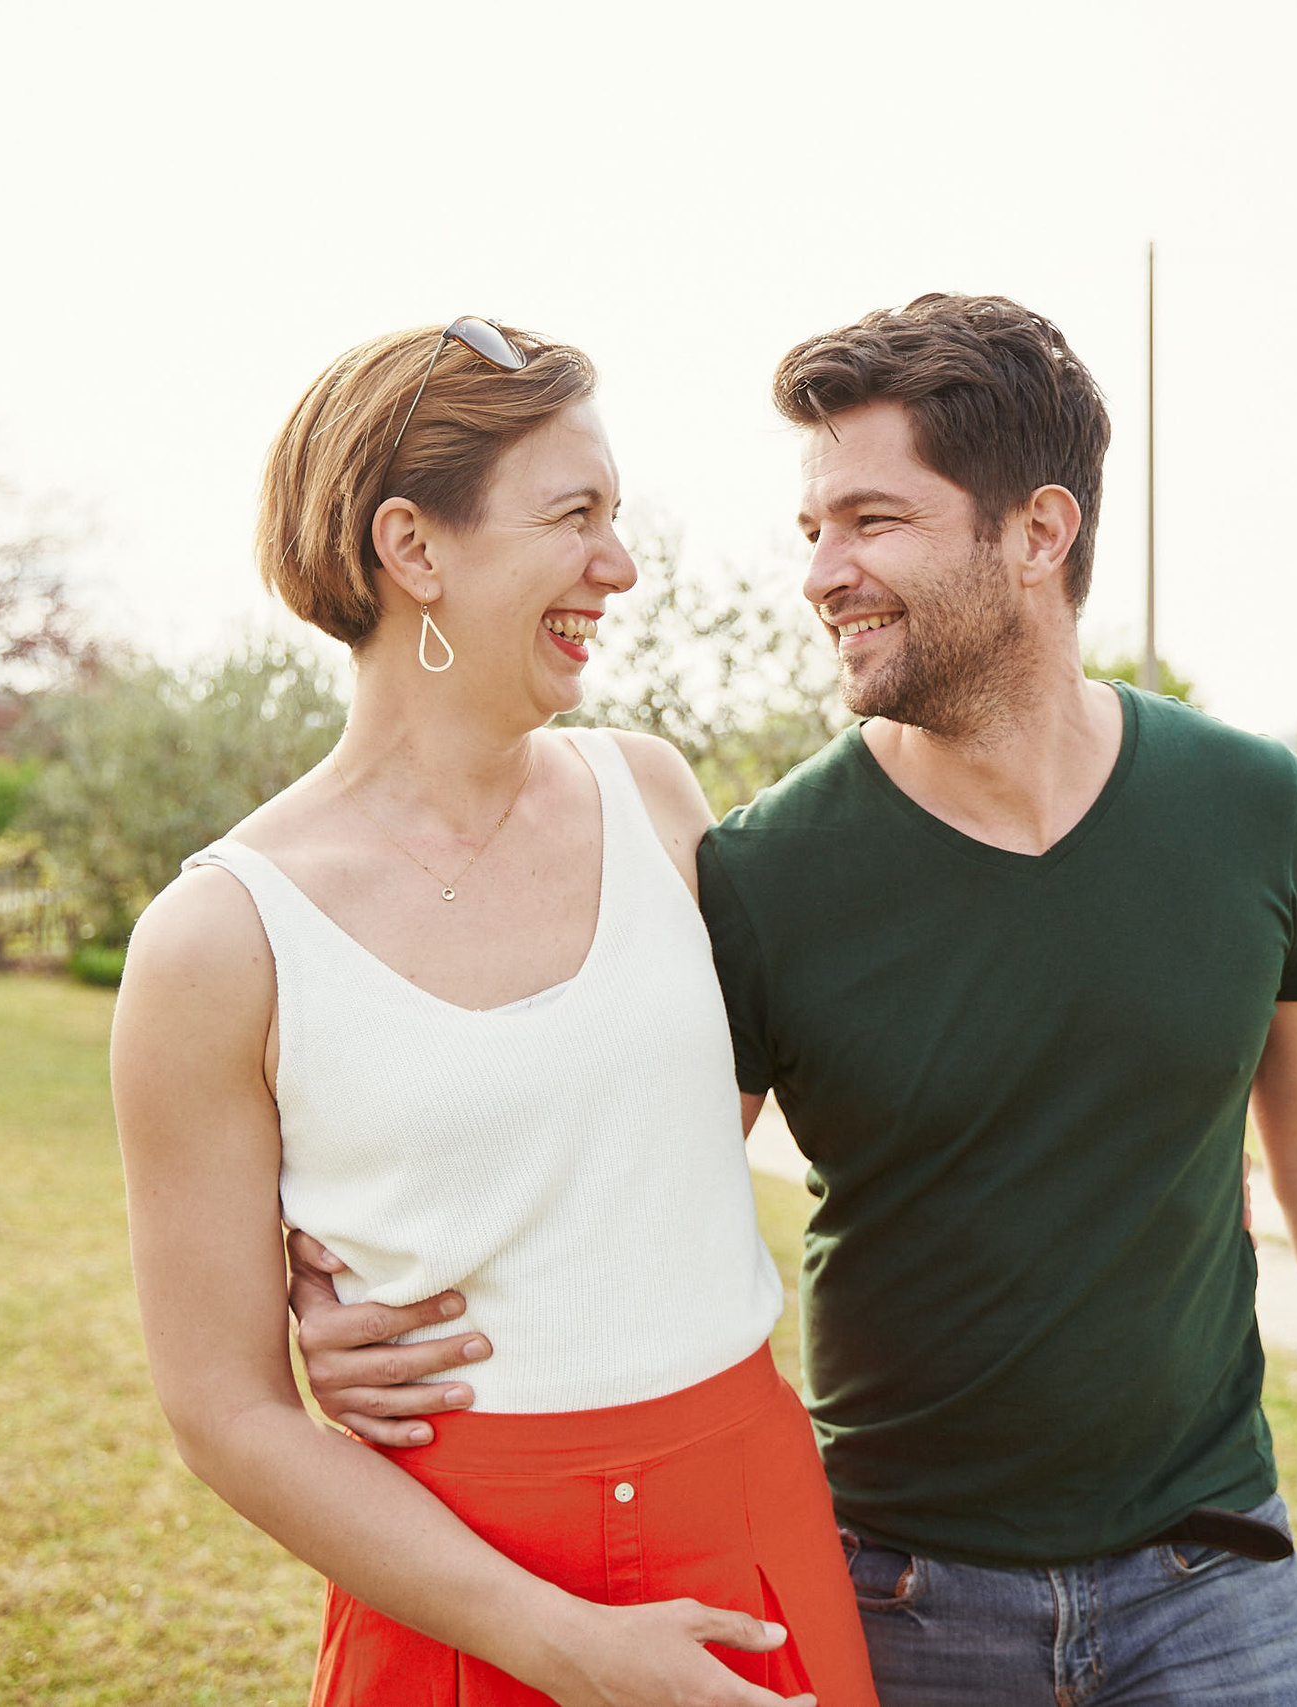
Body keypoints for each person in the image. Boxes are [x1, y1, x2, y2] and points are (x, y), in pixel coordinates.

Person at [290, 294, 1297, 1704]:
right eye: (812, 531)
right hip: (900, 1593)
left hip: (1214, 1569)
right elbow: (614, 1175)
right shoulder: (768, 870)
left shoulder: (1254, 806)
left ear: (1038, 533)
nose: (822, 574)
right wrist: (344, 1297)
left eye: (871, 521)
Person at [108, 317, 876, 1707]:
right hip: (460, 1585)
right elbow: (221, 1411)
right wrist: (557, 1642)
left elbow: (698, 1117)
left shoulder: (654, 794)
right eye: (574, 515)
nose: (621, 566)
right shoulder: (217, 939)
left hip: (746, 1528)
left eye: (617, 517)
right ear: (414, 548)